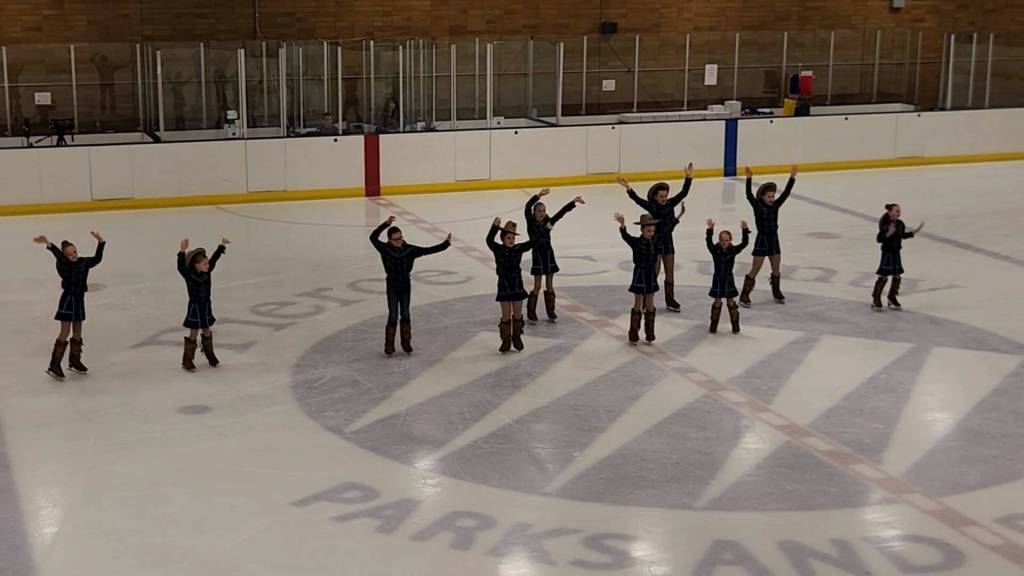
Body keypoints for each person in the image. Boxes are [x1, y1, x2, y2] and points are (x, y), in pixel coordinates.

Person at [370, 217, 452, 355]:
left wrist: (445, 244)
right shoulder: (384, 249)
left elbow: (429, 250)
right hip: (392, 284)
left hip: (405, 284)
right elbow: (373, 237)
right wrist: (386, 224)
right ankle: (389, 344)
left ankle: (406, 342)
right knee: (393, 315)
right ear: (389, 240)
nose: (399, 241)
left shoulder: (409, 250)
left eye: (400, 237)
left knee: (406, 313)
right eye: (396, 239)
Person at [618, 162, 693, 313]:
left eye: (666, 195)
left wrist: (688, 177)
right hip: (656, 243)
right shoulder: (652, 206)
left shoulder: (671, 203)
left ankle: (670, 299)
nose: (664, 198)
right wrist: (628, 188)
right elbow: (638, 200)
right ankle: (647, 299)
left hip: (668, 242)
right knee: (655, 271)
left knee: (670, 272)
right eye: (661, 196)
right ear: (655, 197)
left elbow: (683, 193)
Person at [33, 231, 106, 380]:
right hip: (68, 300)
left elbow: (97, 259)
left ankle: (74, 360)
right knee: (65, 331)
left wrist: (100, 242)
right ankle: (54, 364)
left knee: (78, 331)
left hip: (79, 300)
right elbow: (58, 255)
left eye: (75, 252)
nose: (74, 255)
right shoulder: (65, 265)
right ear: (65, 256)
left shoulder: (83, 262)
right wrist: (48, 243)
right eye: (70, 254)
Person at [739, 165, 798, 307]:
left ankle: (776, 291)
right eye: (769, 197)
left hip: (773, 240)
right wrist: (748, 178)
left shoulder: (776, 206)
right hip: (762, 240)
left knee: (776, 268)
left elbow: (786, 193)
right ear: (762, 197)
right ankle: (745, 294)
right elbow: (748, 195)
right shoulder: (757, 206)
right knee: (755, 269)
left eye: (773, 196)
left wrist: (792, 177)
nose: (772, 199)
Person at [524, 189, 584, 324]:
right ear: (534, 213)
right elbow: (527, 207)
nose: (542, 213)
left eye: (543, 211)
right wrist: (538, 196)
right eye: (539, 211)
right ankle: (531, 311)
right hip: (537, 255)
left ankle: (550, 310)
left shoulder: (548, 222)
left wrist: (572, 203)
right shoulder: (530, 222)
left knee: (550, 285)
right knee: (537, 285)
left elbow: (561, 213)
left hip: (548, 254)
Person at [177, 238, 229, 371]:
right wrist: (182, 251)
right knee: (193, 332)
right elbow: (181, 267)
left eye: (207, 264)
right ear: (196, 265)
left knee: (207, 330)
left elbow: (214, 259)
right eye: (205, 264)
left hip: (206, 306)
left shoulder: (207, 273)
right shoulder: (189, 275)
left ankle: (209, 354)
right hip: (195, 307)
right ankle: (187, 360)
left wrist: (221, 246)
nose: (208, 266)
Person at [486, 218, 535, 353]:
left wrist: (545, 227)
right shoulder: (498, 249)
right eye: (508, 238)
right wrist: (494, 227)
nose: (511, 240)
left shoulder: (518, 249)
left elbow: (532, 242)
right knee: (506, 316)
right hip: (504, 286)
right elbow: (489, 241)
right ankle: (506, 340)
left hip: (517, 285)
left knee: (518, 315)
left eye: (513, 238)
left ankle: (517, 337)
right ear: (503, 239)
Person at [615, 212, 659, 345]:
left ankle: (649, 331)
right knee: (638, 303)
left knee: (650, 303)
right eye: (648, 230)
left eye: (652, 231)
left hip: (650, 274)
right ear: (642, 230)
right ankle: (633, 331)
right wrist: (623, 225)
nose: (651, 233)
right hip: (640, 273)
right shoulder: (636, 242)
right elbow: (625, 236)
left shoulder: (655, 241)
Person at [873, 204, 924, 311]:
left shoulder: (900, 224)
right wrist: (888, 233)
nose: (899, 213)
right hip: (887, 252)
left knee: (897, 275)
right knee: (884, 276)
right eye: (896, 211)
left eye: (899, 211)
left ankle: (892, 297)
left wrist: (913, 233)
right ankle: (876, 298)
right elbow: (879, 239)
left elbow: (902, 236)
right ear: (890, 212)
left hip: (896, 252)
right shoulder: (885, 224)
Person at [706, 219, 750, 334]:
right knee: (717, 301)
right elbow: (708, 242)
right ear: (719, 240)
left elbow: (744, 243)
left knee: (731, 302)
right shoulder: (715, 250)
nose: (724, 242)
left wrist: (745, 230)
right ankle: (713, 325)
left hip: (729, 279)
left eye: (726, 240)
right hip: (718, 280)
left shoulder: (733, 250)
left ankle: (735, 325)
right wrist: (710, 230)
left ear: (730, 240)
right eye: (722, 240)